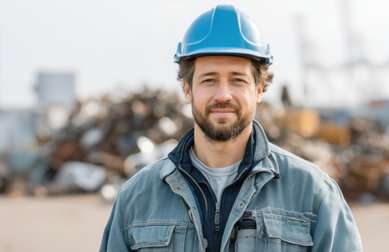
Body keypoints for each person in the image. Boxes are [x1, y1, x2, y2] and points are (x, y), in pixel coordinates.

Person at [100, 5, 362, 252]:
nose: (223, 95)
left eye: (237, 80)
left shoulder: (314, 194)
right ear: (187, 89)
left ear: (259, 89)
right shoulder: (135, 198)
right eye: (209, 80)